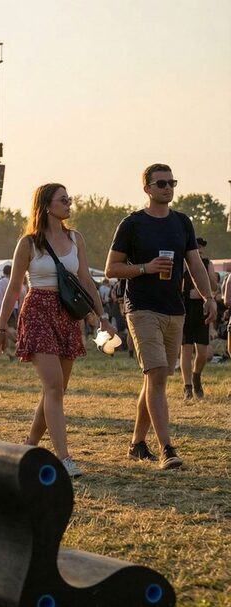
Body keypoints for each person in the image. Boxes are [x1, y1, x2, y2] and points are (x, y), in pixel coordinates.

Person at [0, 183, 115, 479]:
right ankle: (65, 458)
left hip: (67, 314)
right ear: (47, 205)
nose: (69, 204)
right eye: (64, 200)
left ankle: (29, 446)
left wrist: (102, 316)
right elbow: (14, 288)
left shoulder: (76, 238)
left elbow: (85, 279)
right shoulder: (29, 243)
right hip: (37, 311)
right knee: (53, 387)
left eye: (69, 199)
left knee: (57, 389)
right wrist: (0, 327)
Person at [104, 164, 217, 469]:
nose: (168, 188)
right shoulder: (132, 224)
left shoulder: (182, 222)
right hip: (141, 308)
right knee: (156, 375)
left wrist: (209, 297)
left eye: (172, 182)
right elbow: (111, 268)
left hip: (175, 309)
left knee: (157, 379)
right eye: (162, 183)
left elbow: (194, 263)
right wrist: (144, 268)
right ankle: (167, 448)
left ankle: (137, 444)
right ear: (147, 189)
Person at [180, 238, 218, 400]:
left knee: (202, 352)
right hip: (185, 309)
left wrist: (207, 271)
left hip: (202, 309)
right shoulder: (182, 263)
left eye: (201, 248)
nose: (199, 251)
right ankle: (187, 386)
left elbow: (215, 287)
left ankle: (196, 377)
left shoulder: (207, 263)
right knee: (186, 350)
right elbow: (176, 284)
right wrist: (185, 293)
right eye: (196, 248)